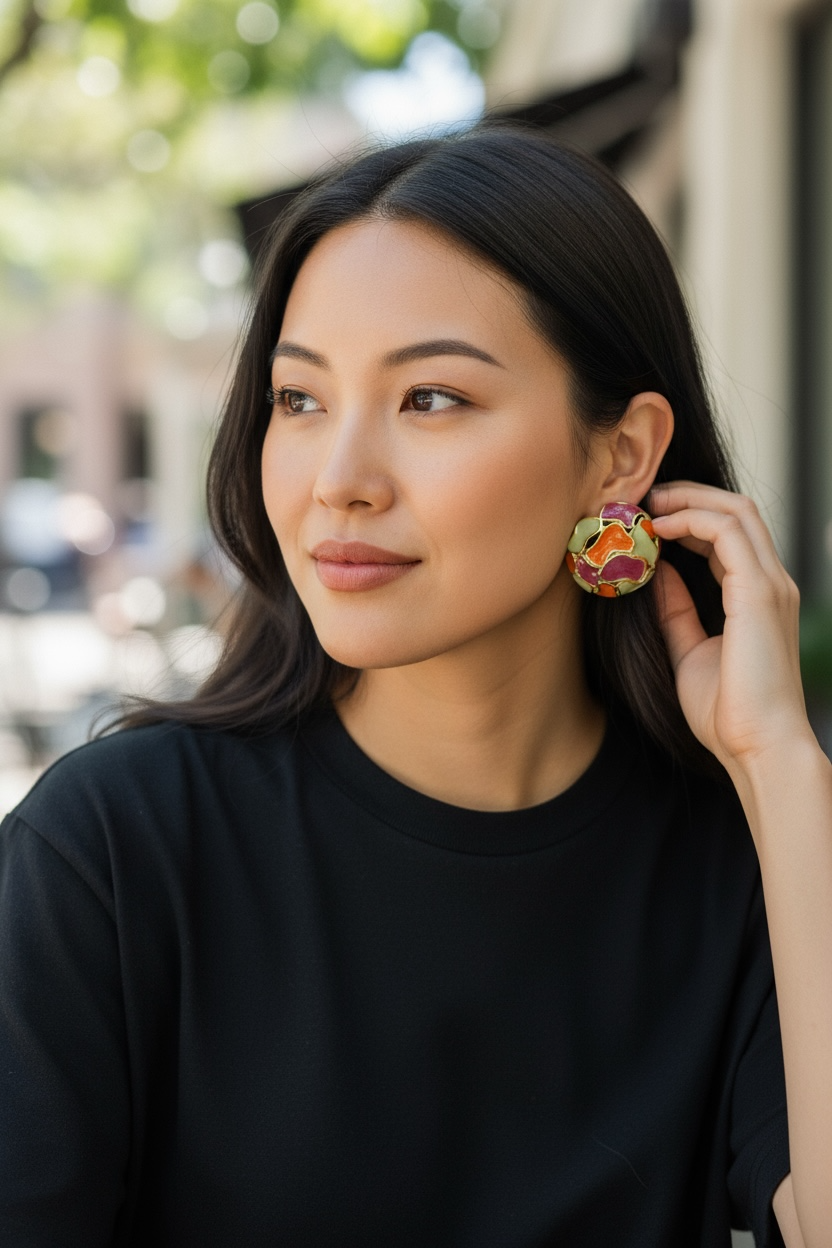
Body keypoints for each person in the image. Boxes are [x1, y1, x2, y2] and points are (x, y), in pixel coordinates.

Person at [0, 126, 829, 1248]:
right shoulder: (109, 849)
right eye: (299, 402)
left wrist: (781, 771)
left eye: (430, 398)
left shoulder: (746, 860)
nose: (338, 482)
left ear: (621, 456)